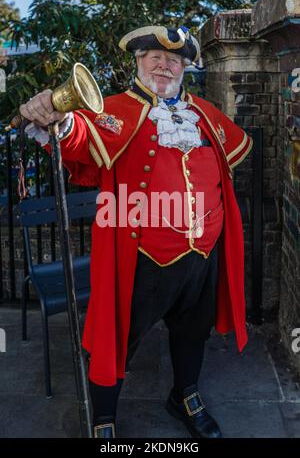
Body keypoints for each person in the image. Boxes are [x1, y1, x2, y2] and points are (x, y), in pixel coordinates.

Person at [20, 25, 253, 439]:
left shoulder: (204, 113)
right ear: (139, 62)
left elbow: (230, 155)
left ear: (185, 68)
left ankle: (185, 395)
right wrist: (53, 113)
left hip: (204, 252)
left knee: (192, 332)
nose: (165, 66)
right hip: (143, 257)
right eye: (155, 58)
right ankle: (104, 417)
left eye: (175, 61)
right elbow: (76, 135)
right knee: (118, 340)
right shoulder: (115, 109)